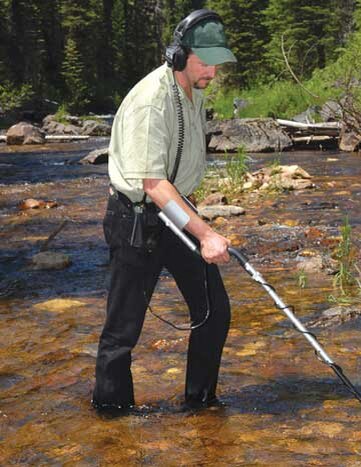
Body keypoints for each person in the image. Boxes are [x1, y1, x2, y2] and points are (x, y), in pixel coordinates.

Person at [92, 9, 237, 412]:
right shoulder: (150, 102)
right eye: (204, 62)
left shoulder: (194, 89)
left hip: (175, 212)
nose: (212, 71)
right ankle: (111, 419)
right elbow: (153, 185)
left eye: (216, 62)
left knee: (214, 311)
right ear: (179, 56)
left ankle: (200, 404)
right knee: (122, 331)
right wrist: (206, 235)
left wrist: (196, 223)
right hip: (136, 219)